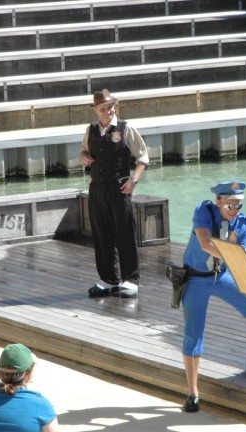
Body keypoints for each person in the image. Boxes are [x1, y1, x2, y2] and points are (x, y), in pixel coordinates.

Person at [181, 180, 246, 413]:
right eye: (230, 205)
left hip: (223, 276)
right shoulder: (204, 211)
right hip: (196, 278)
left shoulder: (245, 224)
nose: (235, 210)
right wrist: (231, 250)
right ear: (219, 201)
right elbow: (205, 243)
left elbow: (243, 258)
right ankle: (192, 392)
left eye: (239, 205)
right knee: (193, 333)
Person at [80, 88, 149, 299]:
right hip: (97, 188)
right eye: (103, 108)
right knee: (101, 234)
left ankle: (131, 279)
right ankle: (108, 279)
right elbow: (84, 151)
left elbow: (143, 156)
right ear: (96, 110)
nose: (107, 111)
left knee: (124, 233)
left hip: (119, 189)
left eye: (110, 107)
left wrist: (133, 180)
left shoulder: (125, 128)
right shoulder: (90, 130)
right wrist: (83, 156)